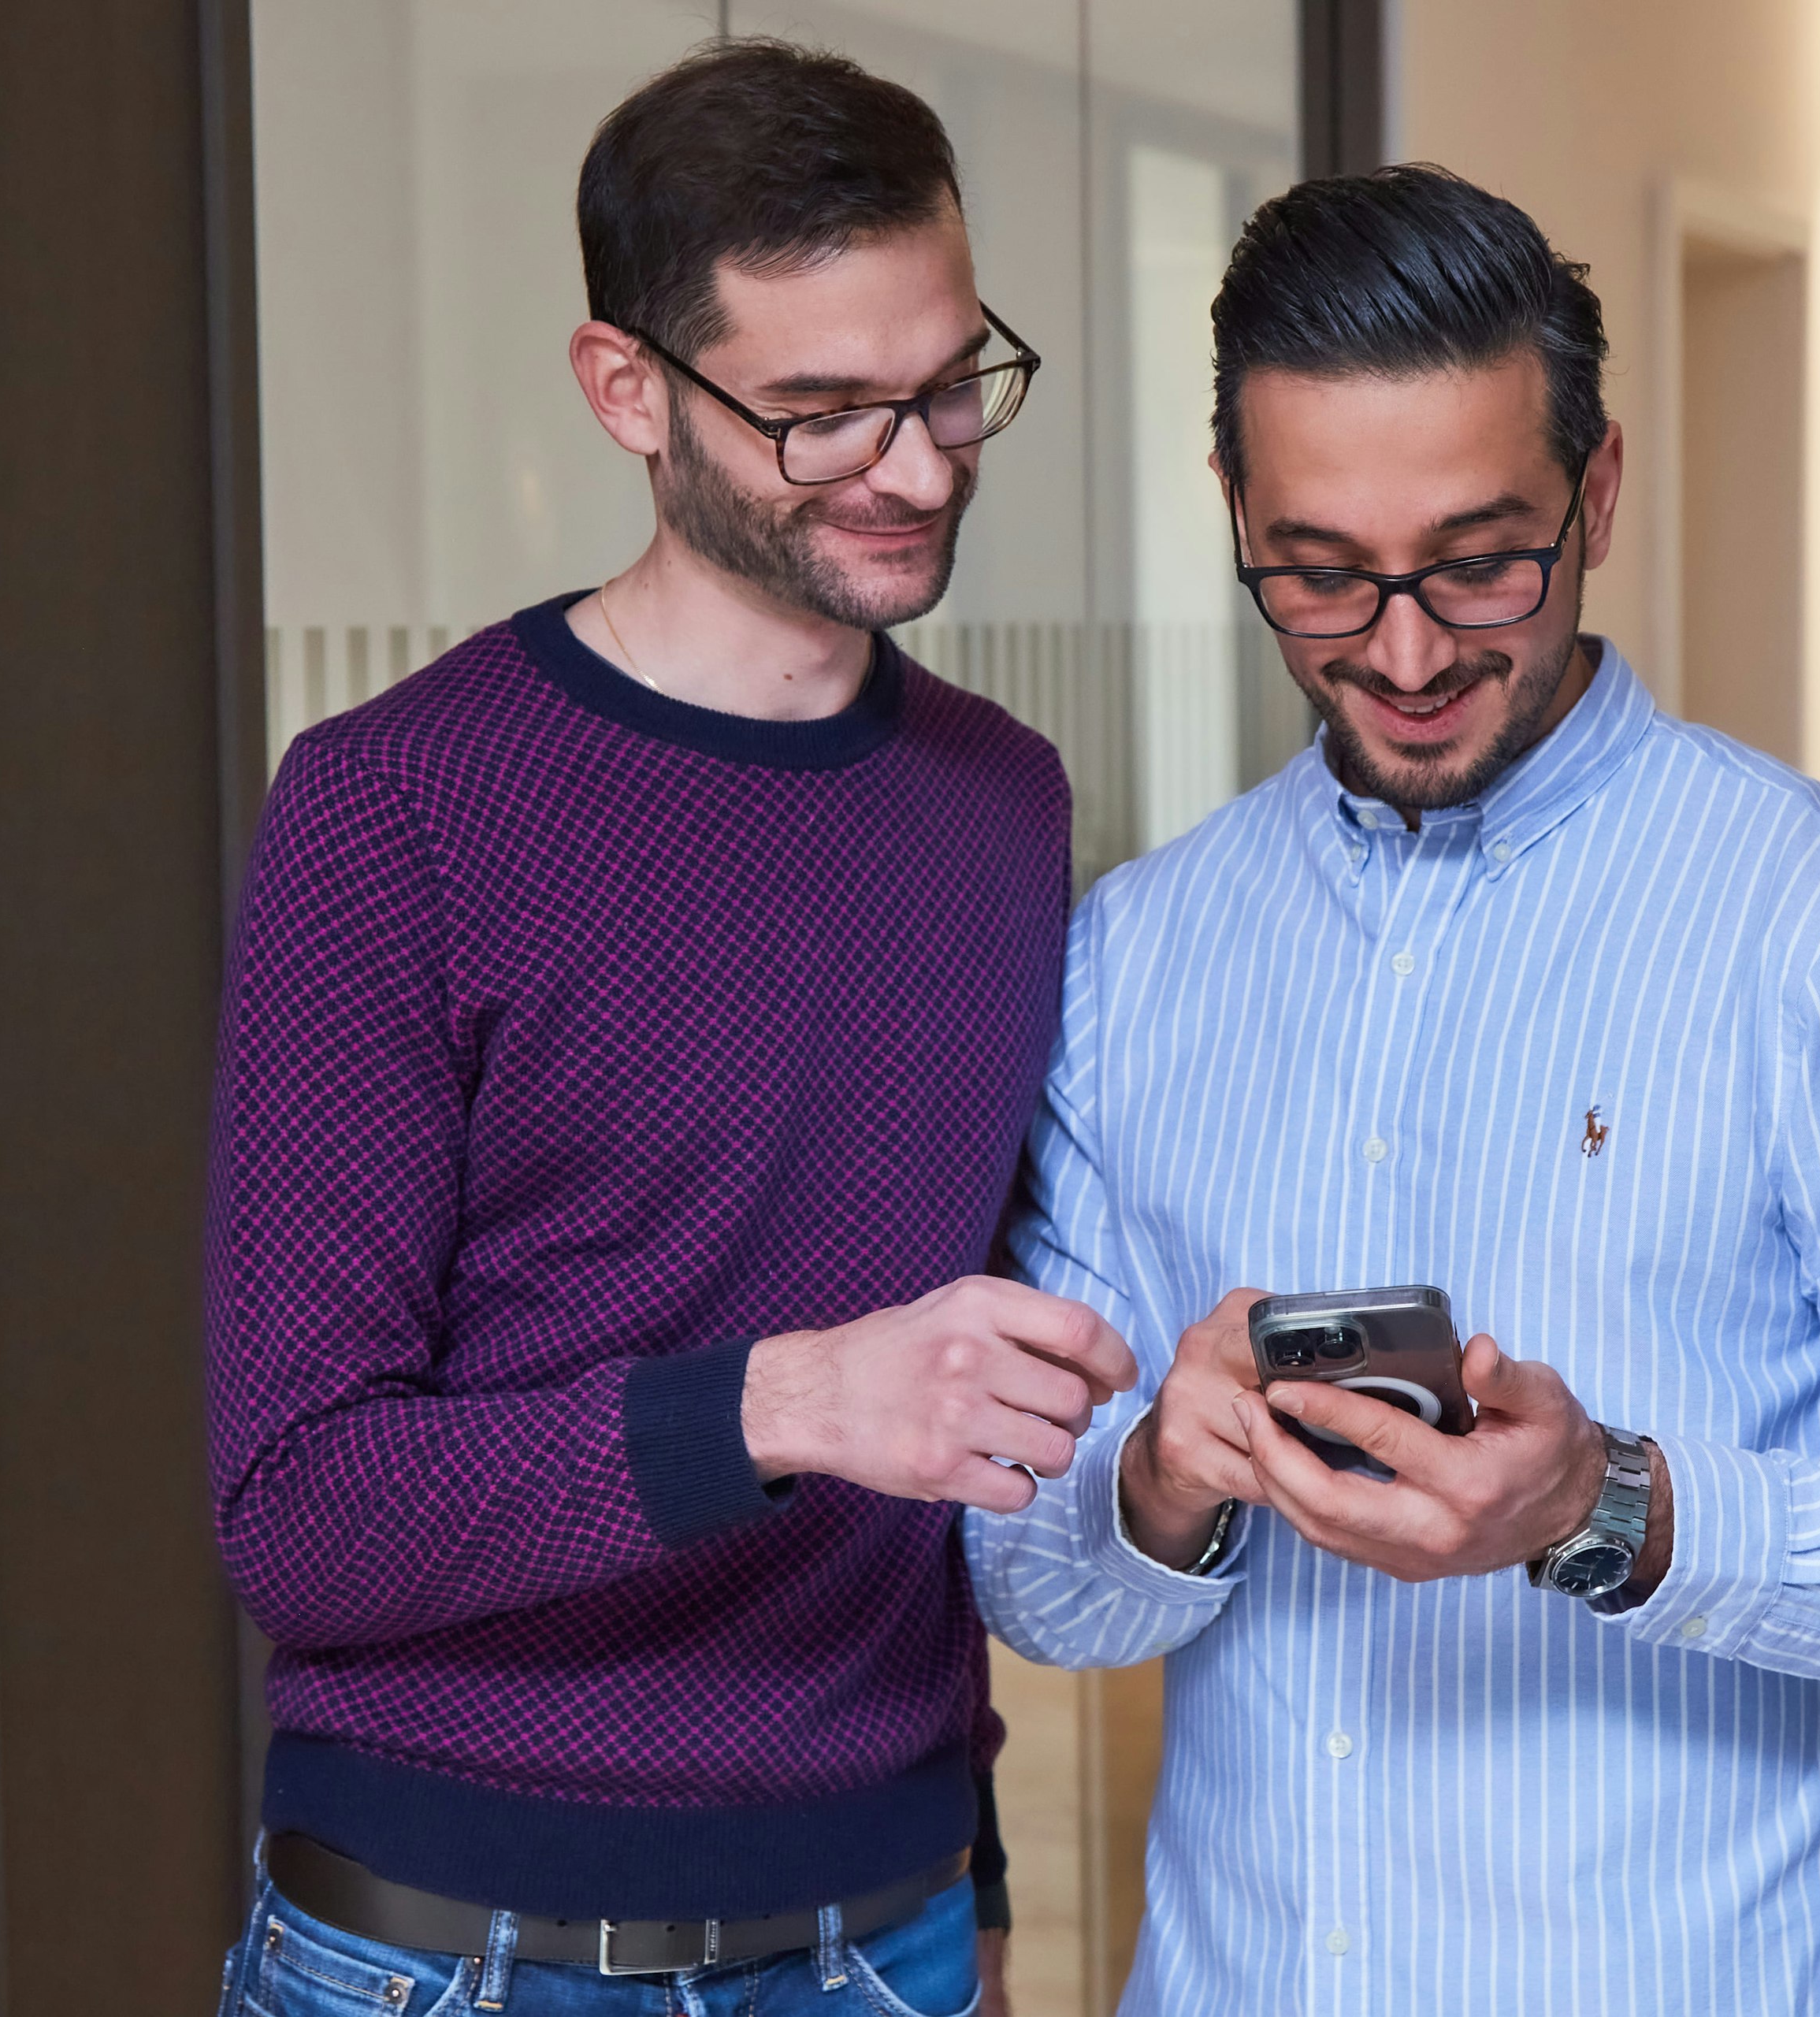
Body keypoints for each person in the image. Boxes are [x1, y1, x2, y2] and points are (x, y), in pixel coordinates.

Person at [964, 163, 1820, 2010]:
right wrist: (1162, 1481)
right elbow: (1042, 1583)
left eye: (1481, 558)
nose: (1409, 651)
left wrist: (1608, 1506)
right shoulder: (1136, 954)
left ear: (1597, 491)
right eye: (1321, 574)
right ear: (1234, 513)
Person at [205, 40, 1133, 2017]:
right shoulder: (394, 808)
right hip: (455, 1949)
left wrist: (964, 1878)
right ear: (627, 387)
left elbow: (966, 1385)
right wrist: (788, 1403)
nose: (917, 464)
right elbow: (298, 1501)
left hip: (882, 1928)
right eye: (819, 412)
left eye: (952, 381)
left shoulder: (1004, 803)